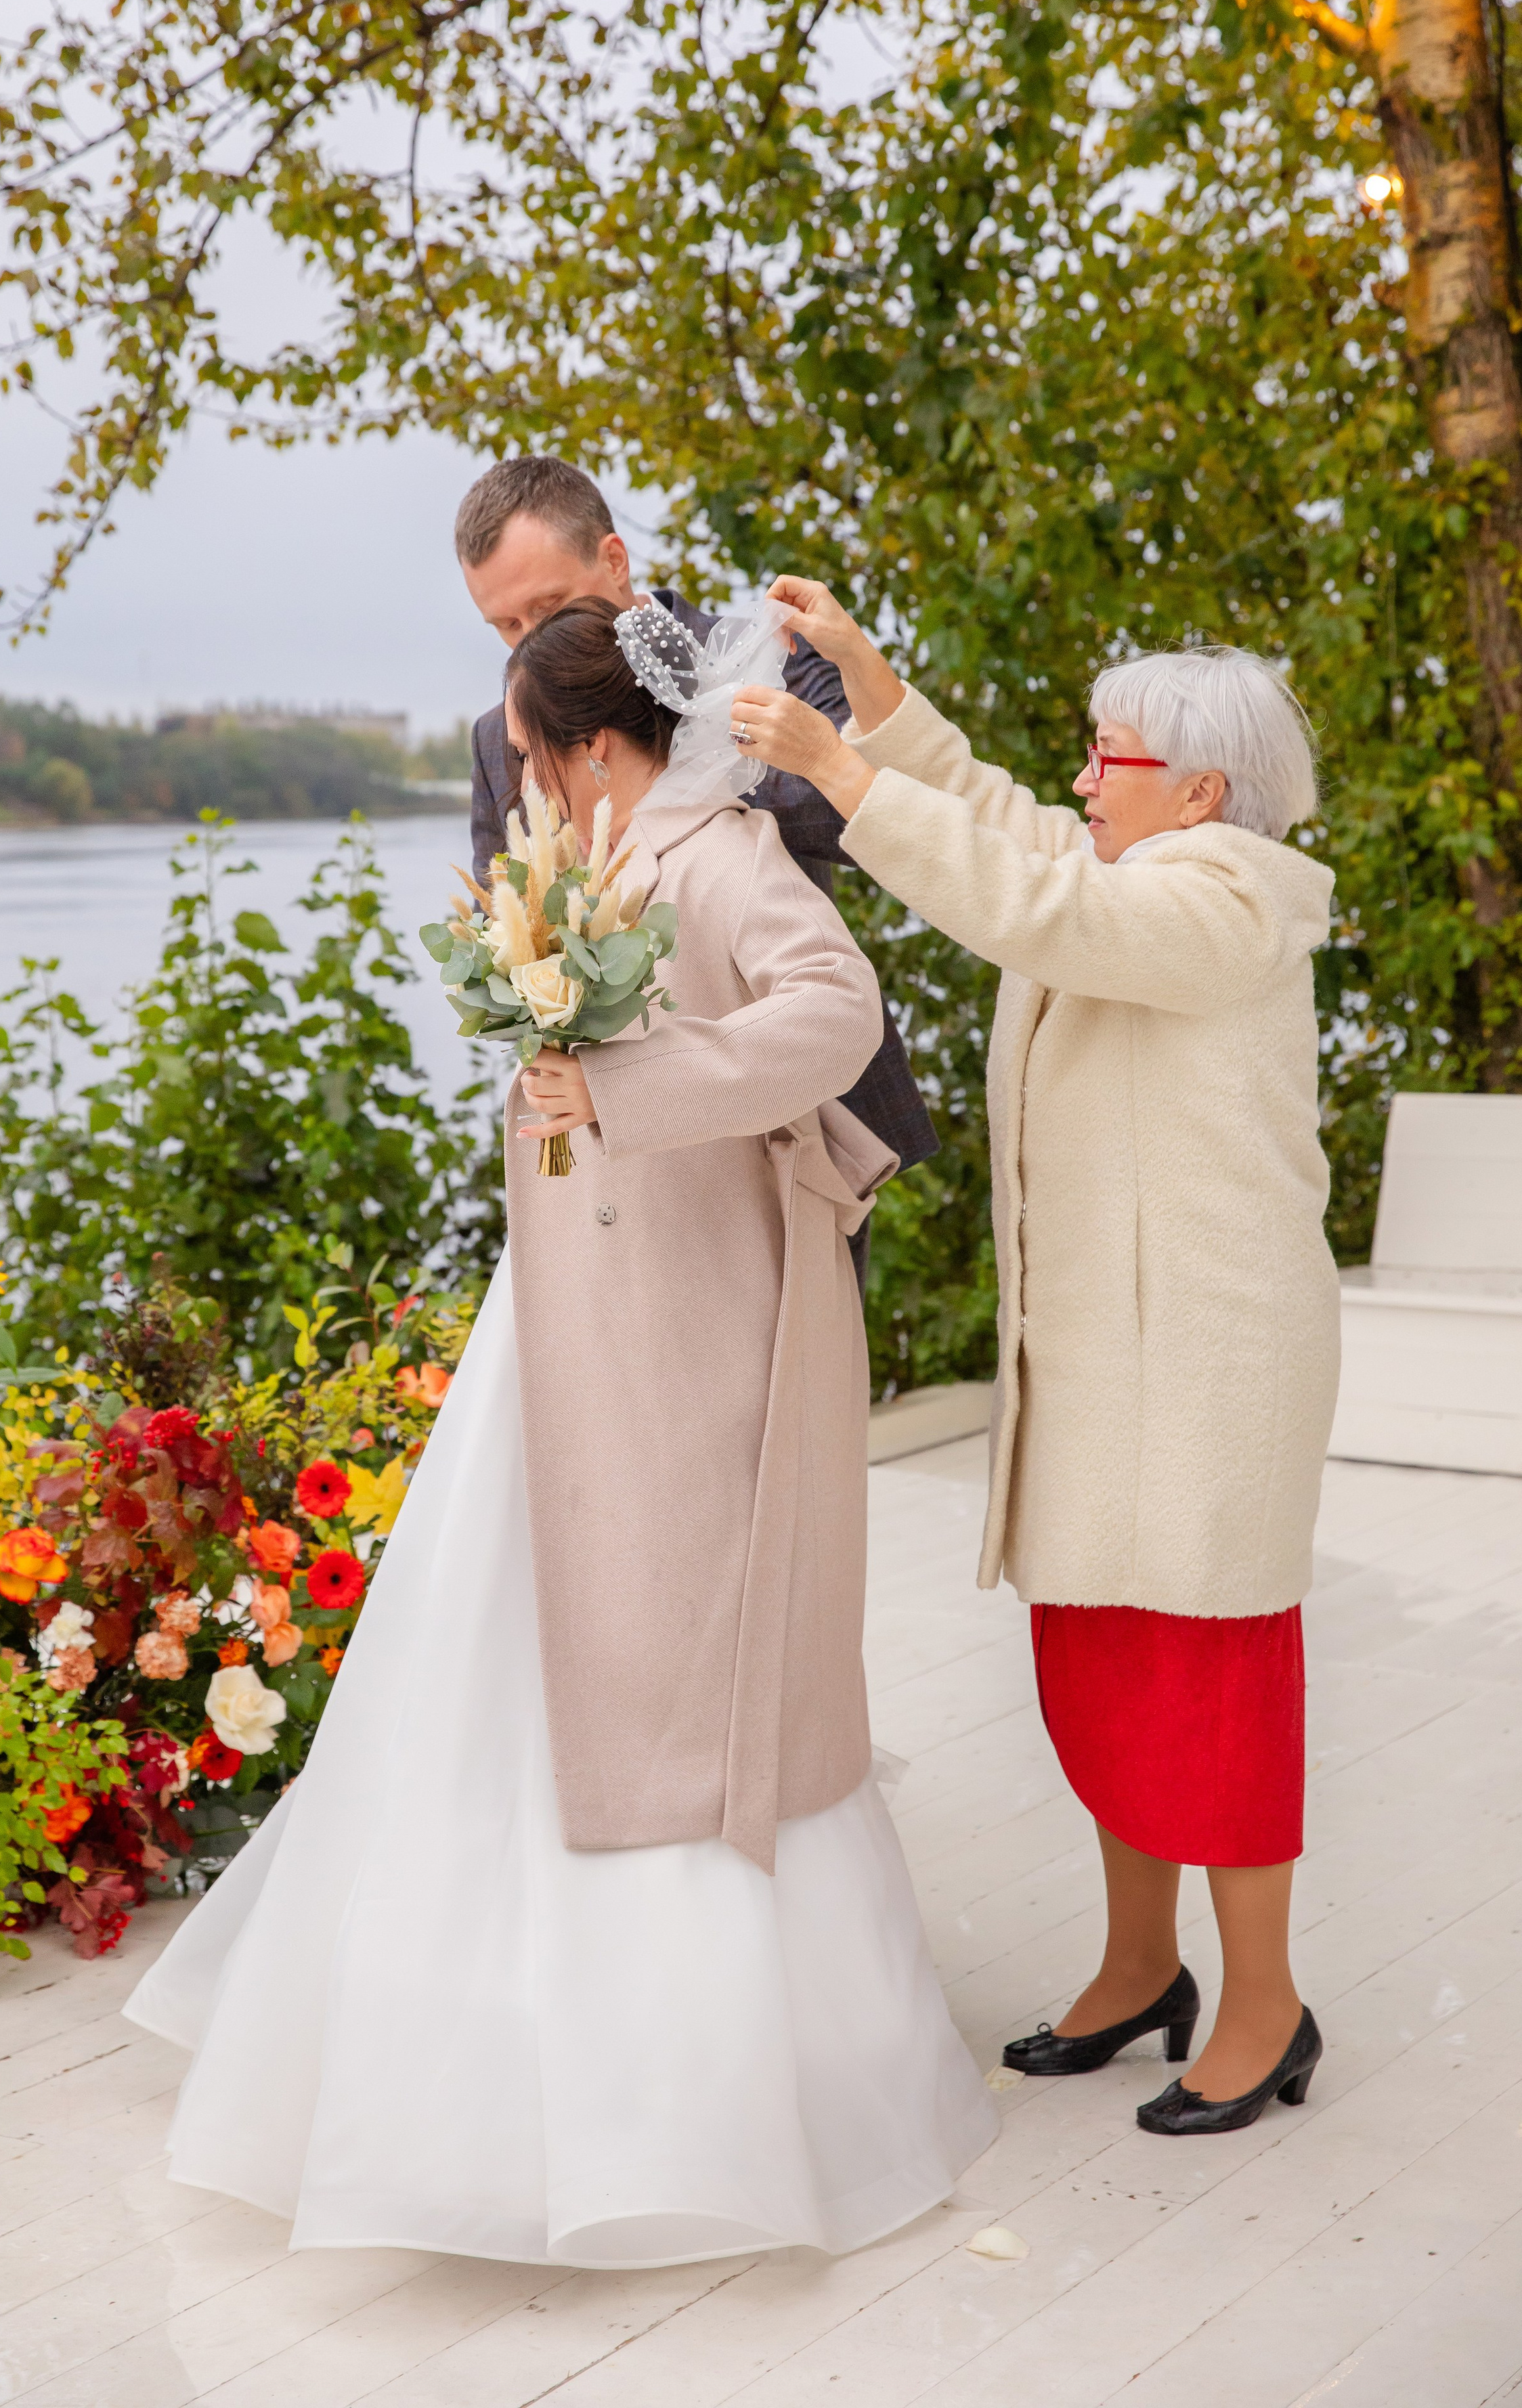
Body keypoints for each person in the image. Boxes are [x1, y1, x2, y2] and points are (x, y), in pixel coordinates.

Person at [122, 590, 997, 2262]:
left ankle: (691, 2095)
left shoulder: (721, 850)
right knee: (502, 1627)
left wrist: (629, 1082)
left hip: (687, 1323)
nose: (514, 775)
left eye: (528, 749)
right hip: (566, 1319)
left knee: (666, 1638)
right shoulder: (590, 861)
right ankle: (460, 2070)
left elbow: (833, 1016)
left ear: (597, 744)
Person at [729, 588, 1337, 2139]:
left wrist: (839, 774)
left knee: (1208, 1676)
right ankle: (1142, 1963)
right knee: (1100, 1662)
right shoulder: (1127, 860)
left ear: (1195, 789)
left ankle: (1261, 2001)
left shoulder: (1224, 901)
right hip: (1106, 1349)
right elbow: (1001, 821)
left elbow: (1025, 900)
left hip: (1203, 1360)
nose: (1078, 776)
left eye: (1105, 753)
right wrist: (873, 694)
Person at [454, 456, 938, 1284]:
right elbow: (508, 915)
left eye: (548, 607)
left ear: (614, 559)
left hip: (792, 1106)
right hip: (613, 1129)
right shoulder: (502, 727)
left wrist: (673, 776)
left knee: (788, 1387)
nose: (527, 642)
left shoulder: (764, 655)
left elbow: (877, 814)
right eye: (504, 625)